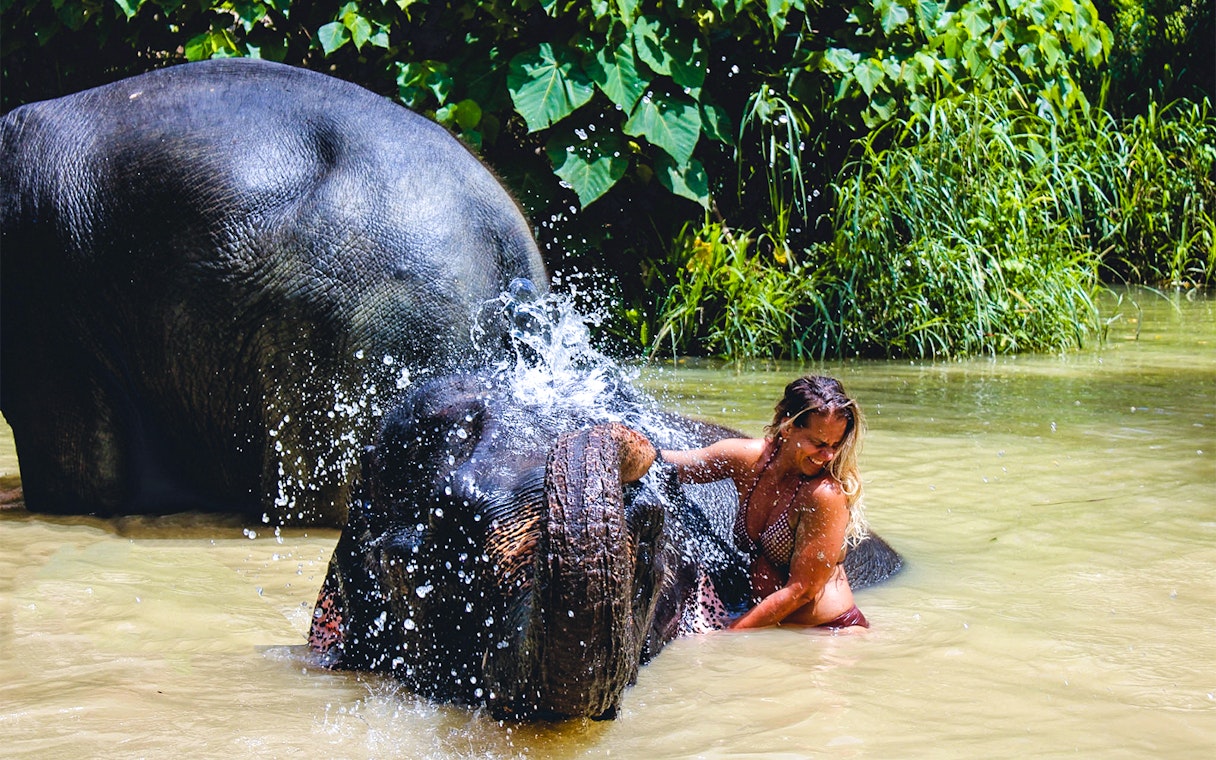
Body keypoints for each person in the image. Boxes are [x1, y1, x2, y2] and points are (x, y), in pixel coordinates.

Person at [661, 375, 870, 630]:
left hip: (827, 636)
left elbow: (802, 590)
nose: (828, 455)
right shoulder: (747, 459)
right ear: (788, 426)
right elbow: (672, 465)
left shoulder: (824, 494)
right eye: (818, 443)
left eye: (836, 445)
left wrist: (729, 634)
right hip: (772, 630)